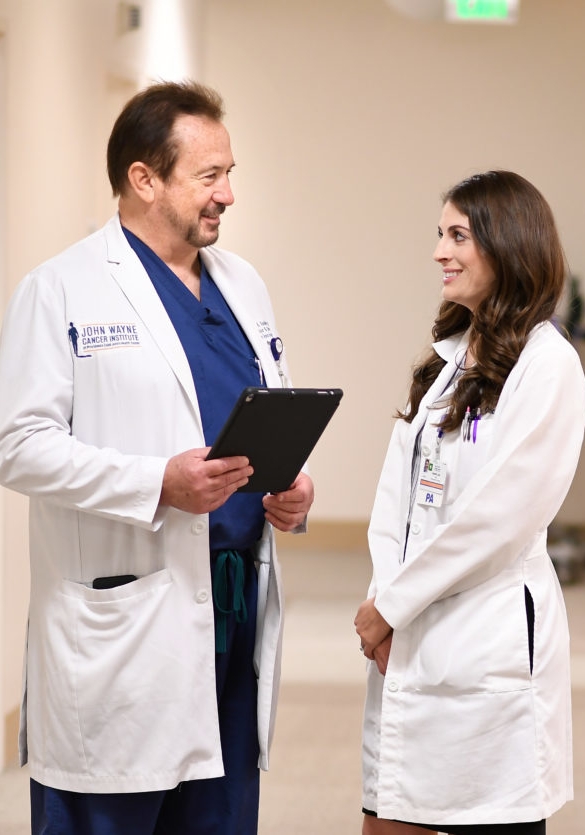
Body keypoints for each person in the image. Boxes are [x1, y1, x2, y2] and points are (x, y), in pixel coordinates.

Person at [0, 80, 314, 835]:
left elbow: (266, 409)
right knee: (111, 811)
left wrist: (289, 485)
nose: (229, 195)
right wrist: (156, 483)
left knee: (218, 812)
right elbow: (18, 446)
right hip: (125, 617)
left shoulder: (242, 285)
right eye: (210, 176)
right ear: (144, 178)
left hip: (230, 611)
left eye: (229, 173)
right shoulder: (61, 288)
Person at [354, 170, 585, 835]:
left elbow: (501, 516)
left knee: (484, 811)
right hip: (407, 635)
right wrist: (383, 599)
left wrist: (391, 605)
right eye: (439, 234)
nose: (438, 252)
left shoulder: (548, 365)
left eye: (457, 235)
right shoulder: (448, 357)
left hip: (482, 642)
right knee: (391, 811)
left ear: (506, 245)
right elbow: (394, 496)